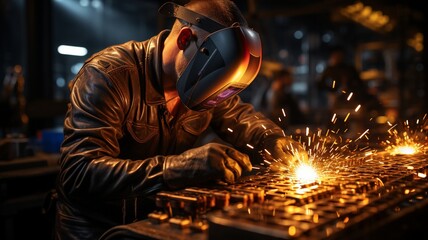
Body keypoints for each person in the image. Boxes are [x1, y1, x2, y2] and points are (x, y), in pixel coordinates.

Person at [54, 1, 307, 239]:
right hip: (99, 230)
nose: (216, 93)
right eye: (211, 75)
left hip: (154, 223)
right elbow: (78, 173)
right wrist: (176, 168)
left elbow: (238, 115)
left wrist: (272, 140)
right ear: (186, 39)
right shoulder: (108, 76)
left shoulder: (203, 83)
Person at [317, 45, 382, 135]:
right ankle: (333, 136)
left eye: (339, 55)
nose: (337, 57)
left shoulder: (349, 69)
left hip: (352, 101)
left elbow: (359, 84)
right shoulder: (329, 70)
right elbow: (321, 86)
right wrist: (331, 94)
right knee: (334, 122)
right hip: (336, 101)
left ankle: (355, 138)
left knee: (355, 123)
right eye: (335, 55)